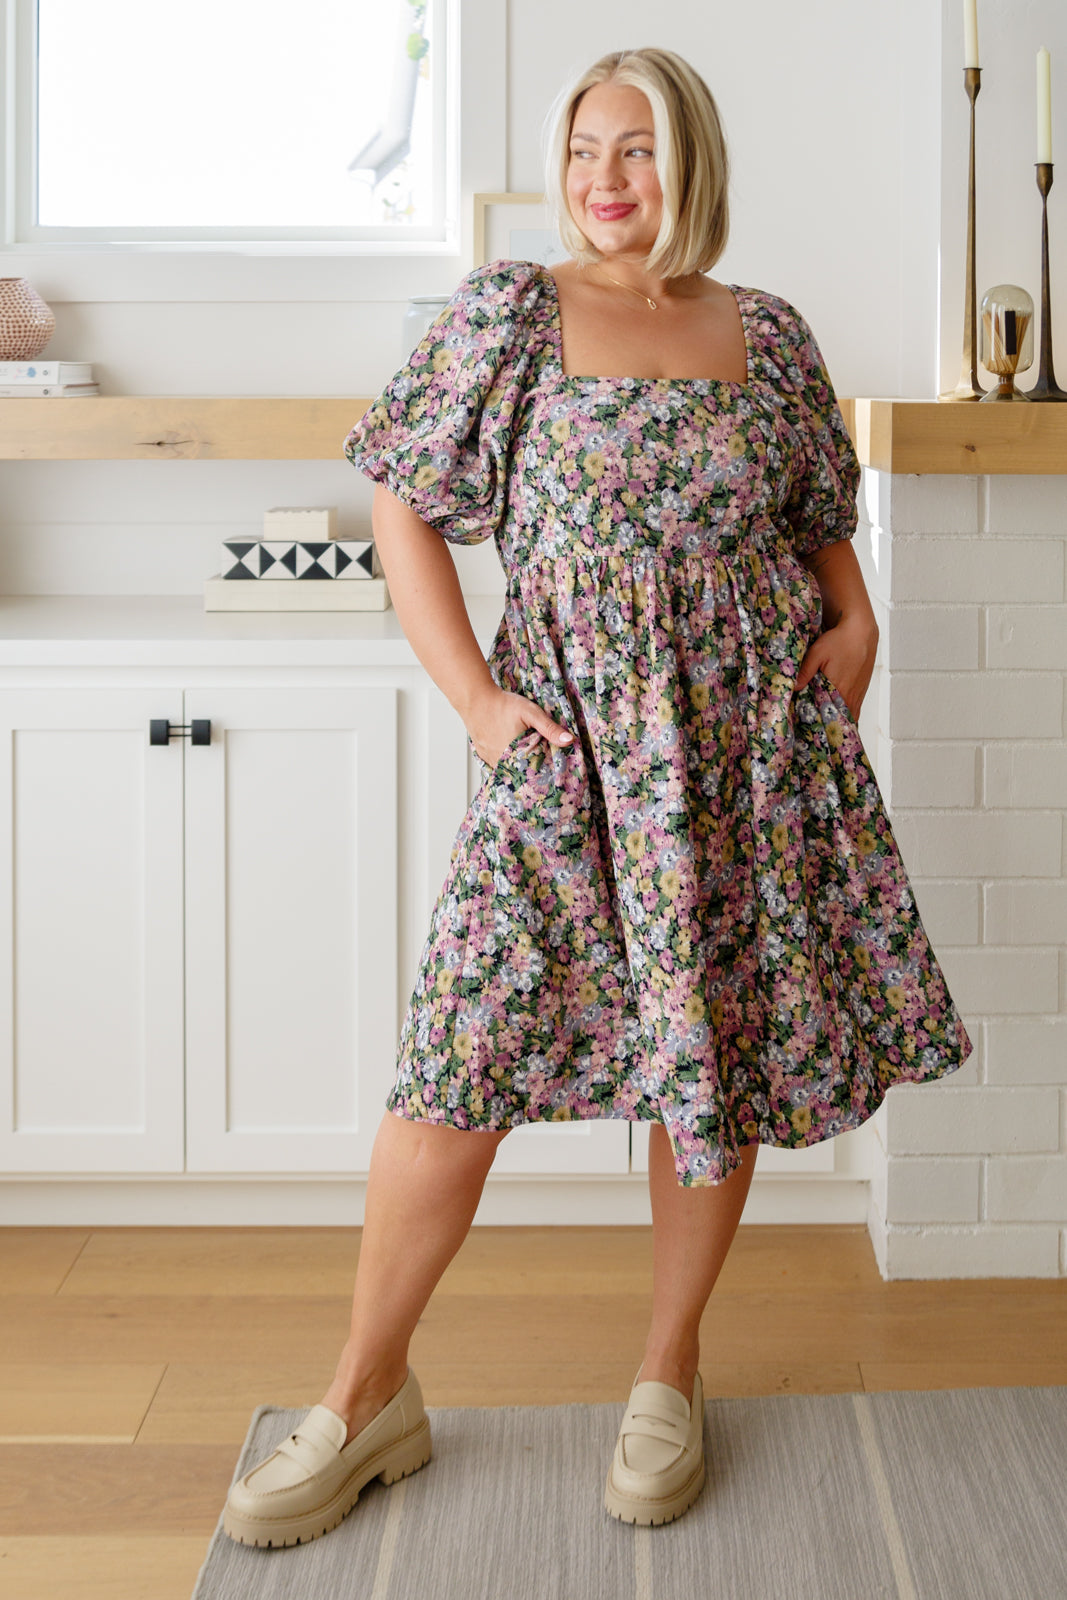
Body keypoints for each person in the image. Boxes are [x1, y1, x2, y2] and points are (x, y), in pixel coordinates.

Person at [223, 45, 971, 1547]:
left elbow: (822, 523)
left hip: (742, 755)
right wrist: (477, 703)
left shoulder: (768, 332)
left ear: (689, 163)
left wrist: (859, 623)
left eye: (635, 149)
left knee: (712, 1058)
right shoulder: (507, 314)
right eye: (582, 150)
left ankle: (667, 1370)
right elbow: (399, 502)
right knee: (457, 1062)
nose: (604, 178)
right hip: (566, 747)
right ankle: (367, 1392)